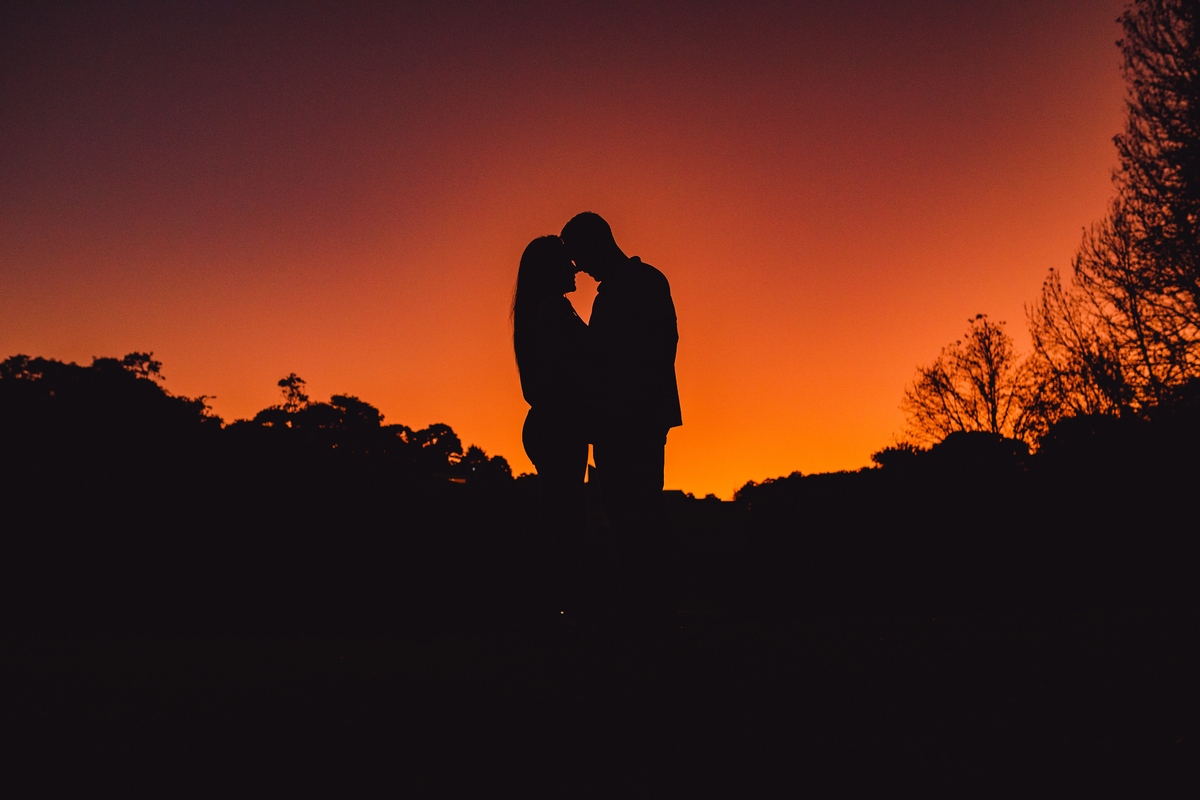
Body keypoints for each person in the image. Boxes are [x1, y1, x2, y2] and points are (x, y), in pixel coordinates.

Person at [559, 212, 682, 633]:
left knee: (641, 512)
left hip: (635, 420)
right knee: (626, 515)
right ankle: (642, 607)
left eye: (578, 256)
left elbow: (660, 349)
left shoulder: (645, 282)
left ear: (597, 244)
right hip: (620, 421)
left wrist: (623, 402)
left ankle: (653, 611)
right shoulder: (615, 291)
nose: (578, 268)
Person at [512, 235, 591, 625]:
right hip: (559, 424)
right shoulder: (556, 309)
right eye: (566, 261)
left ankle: (546, 608)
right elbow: (579, 368)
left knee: (558, 518)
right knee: (563, 522)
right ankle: (551, 610)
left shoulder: (534, 312)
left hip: (547, 423)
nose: (574, 268)